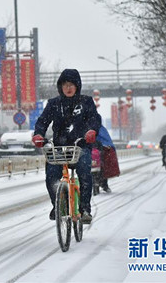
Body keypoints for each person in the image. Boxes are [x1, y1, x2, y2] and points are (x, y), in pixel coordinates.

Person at [32, 69, 102, 224]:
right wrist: (38, 134)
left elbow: (94, 119)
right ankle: (57, 205)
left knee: (84, 171)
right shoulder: (54, 104)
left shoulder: (86, 102)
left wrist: (91, 131)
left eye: (71, 84)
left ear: (77, 86)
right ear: (60, 87)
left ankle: (84, 209)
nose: (68, 88)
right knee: (51, 174)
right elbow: (42, 121)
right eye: (65, 85)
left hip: (80, 146)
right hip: (59, 148)